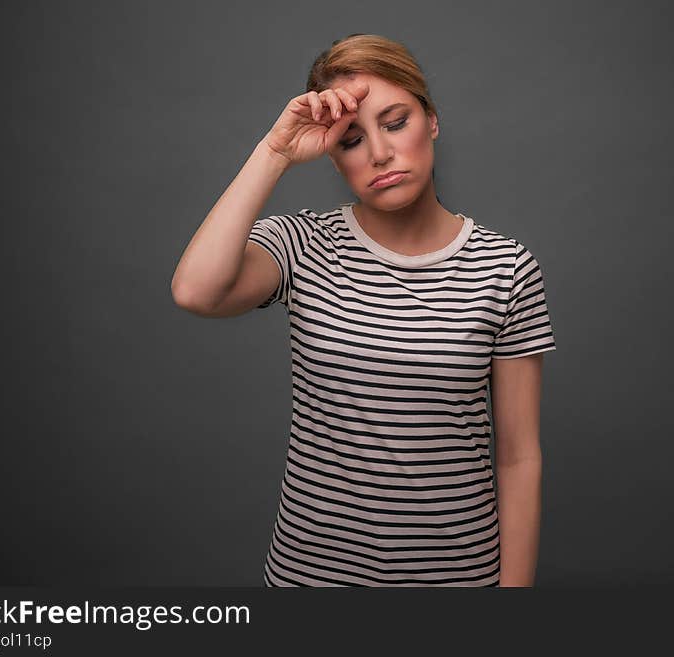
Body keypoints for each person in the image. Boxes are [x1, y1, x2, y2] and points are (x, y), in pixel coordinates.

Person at [171, 33, 557, 587]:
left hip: (454, 577)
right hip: (311, 577)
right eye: (350, 140)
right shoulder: (302, 245)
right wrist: (275, 152)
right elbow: (195, 292)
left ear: (432, 122)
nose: (378, 152)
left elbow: (519, 457)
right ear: (330, 154)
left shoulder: (505, 267)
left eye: (396, 122)